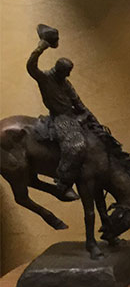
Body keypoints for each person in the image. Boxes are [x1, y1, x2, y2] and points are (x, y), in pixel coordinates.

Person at [25, 24, 97, 195]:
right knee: (76, 146)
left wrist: (90, 117)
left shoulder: (65, 83)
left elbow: (78, 102)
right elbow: (31, 66)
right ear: (59, 70)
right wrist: (41, 47)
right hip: (60, 118)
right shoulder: (45, 79)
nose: (68, 75)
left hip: (72, 115)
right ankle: (63, 181)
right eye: (67, 72)